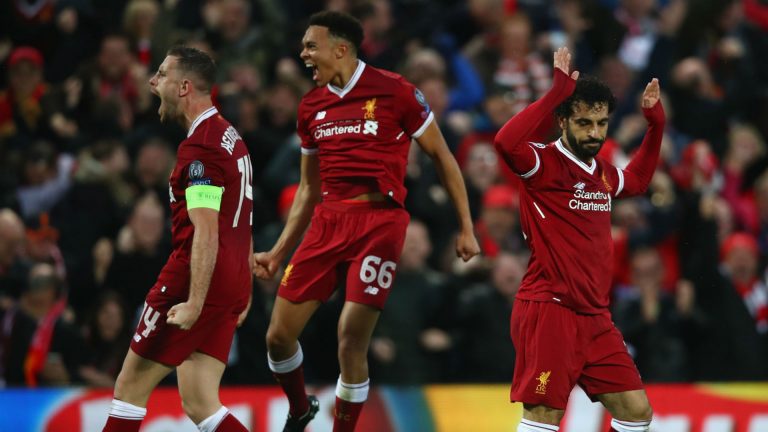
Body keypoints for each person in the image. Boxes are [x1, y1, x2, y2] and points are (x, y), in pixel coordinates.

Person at [252, 11, 480, 432]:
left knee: (350, 338)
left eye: (311, 46)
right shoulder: (311, 106)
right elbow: (308, 189)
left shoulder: (396, 91)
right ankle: (300, 409)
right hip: (328, 221)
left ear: (341, 49)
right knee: (278, 337)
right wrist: (278, 252)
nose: (303, 55)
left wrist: (466, 227)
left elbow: (442, 156)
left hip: (379, 223)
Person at [493, 47, 665, 432]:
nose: (595, 133)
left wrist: (655, 128)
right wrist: (555, 93)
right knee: (544, 415)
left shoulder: (601, 172)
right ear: (563, 120)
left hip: (595, 316)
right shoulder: (542, 164)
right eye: (584, 122)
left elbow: (637, 181)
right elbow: (505, 142)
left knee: (636, 412)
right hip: (550, 309)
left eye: (601, 123)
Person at [101, 46, 253, 432]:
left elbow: (206, 229)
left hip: (194, 278)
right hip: (230, 275)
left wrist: (194, 303)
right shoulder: (229, 136)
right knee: (200, 401)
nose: (153, 82)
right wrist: (244, 284)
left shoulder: (201, 148)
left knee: (129, 387)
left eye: (162, 75)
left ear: (184, 87)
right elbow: (241, 218)